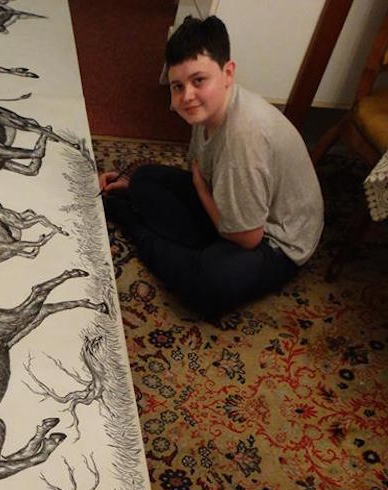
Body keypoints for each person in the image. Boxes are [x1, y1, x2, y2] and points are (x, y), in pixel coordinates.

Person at [99, 15, 324, 319]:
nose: (187, 96)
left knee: (207, 285)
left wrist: (201, 189)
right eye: (177, 86)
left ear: (228, 73)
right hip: (230, 205)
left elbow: (248, 237)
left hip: (275, 240)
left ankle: (136, 226)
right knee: (143, 179)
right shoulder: (206, 110)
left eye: (198, 81)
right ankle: (190, 245)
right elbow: (202, 173)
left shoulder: (243, 136)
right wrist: (139, 187)